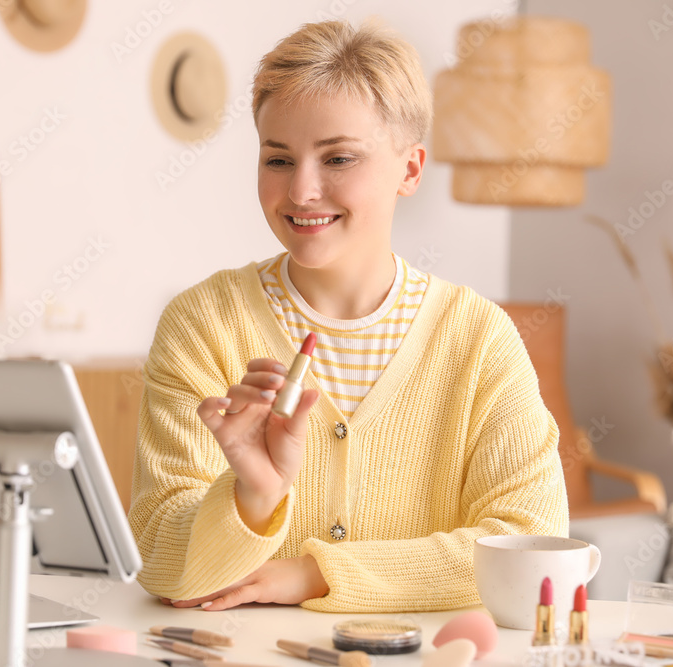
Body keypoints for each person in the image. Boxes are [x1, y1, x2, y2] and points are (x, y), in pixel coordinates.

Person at [129, 18, 568, 613]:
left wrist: (315, 574)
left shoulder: (480, 340)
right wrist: (253, 498)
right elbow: (161, 559)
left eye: (338, 158)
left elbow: (530, 549)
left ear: (410, 169)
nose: (302, 191)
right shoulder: (203, 324)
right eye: (278, 160)